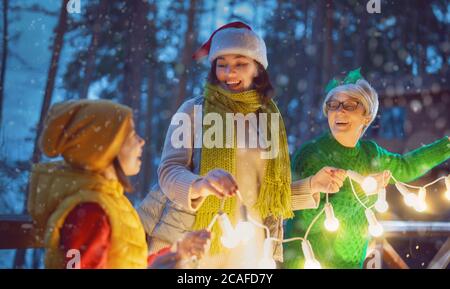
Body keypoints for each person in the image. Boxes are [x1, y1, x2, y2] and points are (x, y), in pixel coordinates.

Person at [138, 22, 317, 268]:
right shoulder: (193, 110)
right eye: (222, 65)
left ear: (258, 69)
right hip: (196, 239)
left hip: (251, 247)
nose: (229, 73)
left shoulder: (270, 120)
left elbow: (271, 196)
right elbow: (169, 171)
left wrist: (312, 187)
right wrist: (200, 185)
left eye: (240, 64)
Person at [283, 69, 450, 268]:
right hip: (309, 261)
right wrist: (365, 191)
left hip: (352, 263)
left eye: (350, 105)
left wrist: (446, 146)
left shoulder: (371, 153)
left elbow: (406, 167)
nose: (339, 111)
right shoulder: (311, 154)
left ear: (367, 116)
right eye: (333, 105)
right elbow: (309, 221)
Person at [28, 100, 210, 268]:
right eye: (131, 134)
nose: (141, 141)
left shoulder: (110, 201)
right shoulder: (91, 211)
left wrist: (176, 252)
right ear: (104, 147)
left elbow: (127, 262)